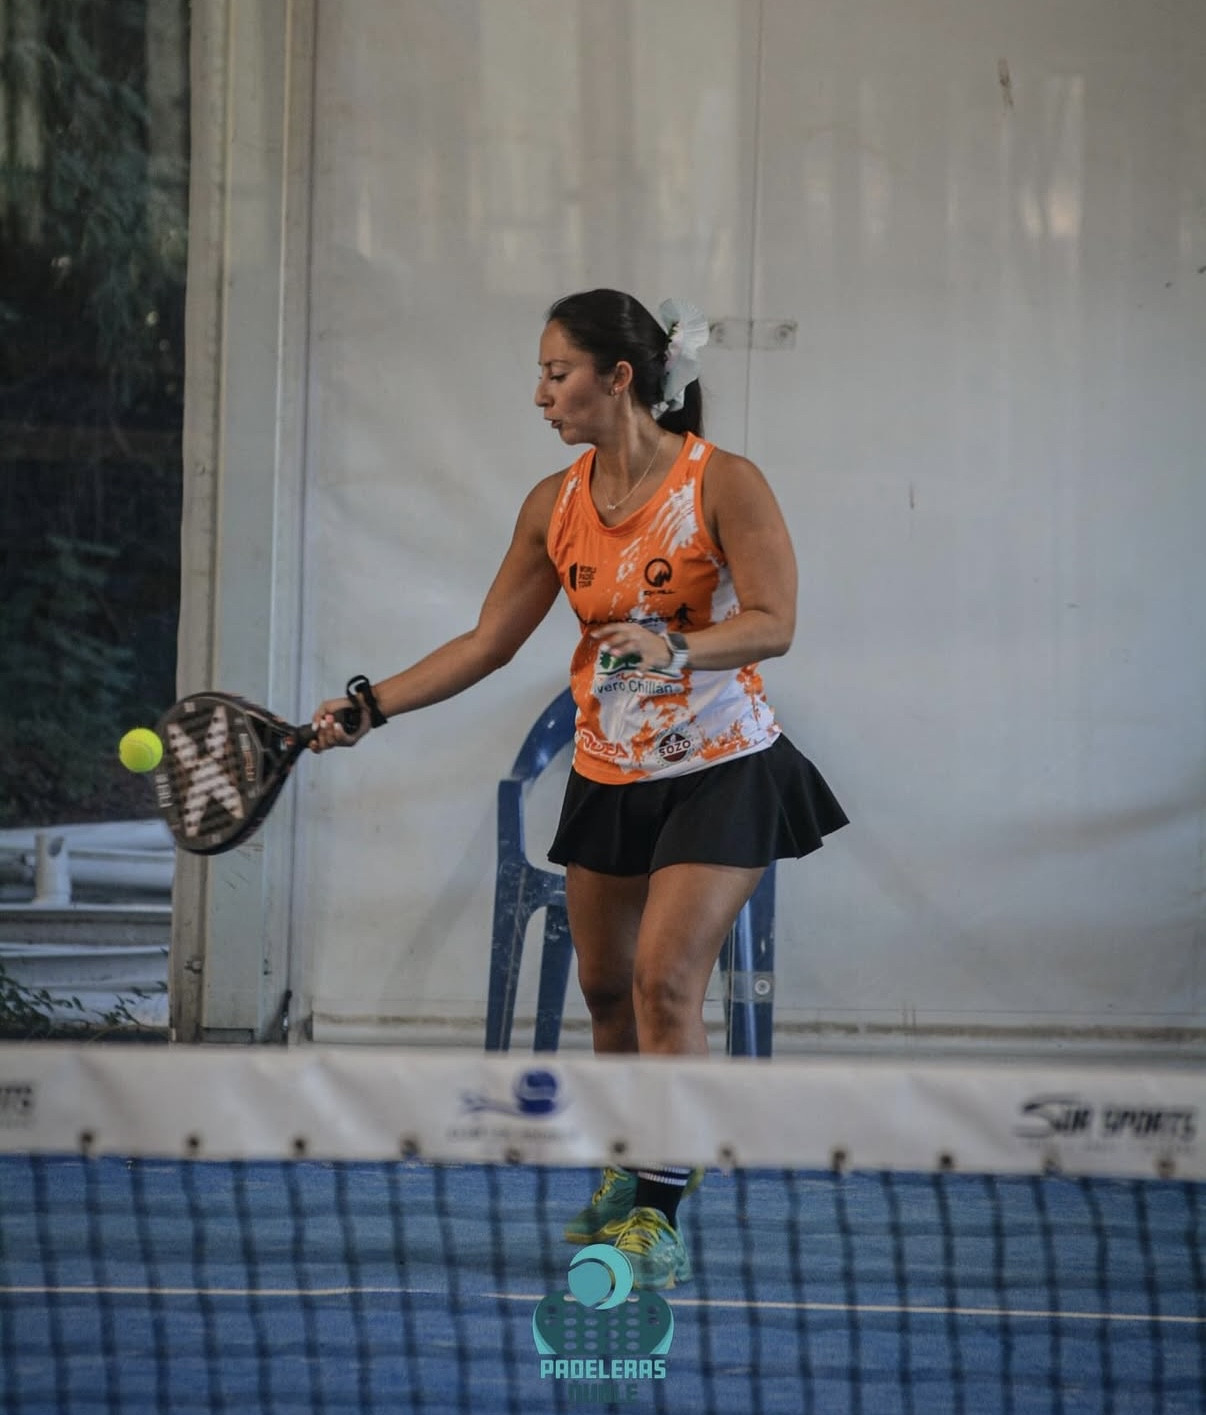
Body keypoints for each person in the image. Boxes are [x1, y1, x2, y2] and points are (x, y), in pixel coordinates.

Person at [310, 288, 848, 1288]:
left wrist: (675, 646)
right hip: (608, 772)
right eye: (543, 375)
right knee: (606, 990)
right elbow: (488, 640)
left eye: (557, 373)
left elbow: (774, 621)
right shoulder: (551, 506)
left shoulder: (722, 482)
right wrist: (370, 704)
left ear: (619, 377)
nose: (541, 394)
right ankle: (630, 1158)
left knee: (665, 981)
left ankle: (657, 1212)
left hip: (723, 768)